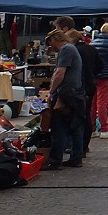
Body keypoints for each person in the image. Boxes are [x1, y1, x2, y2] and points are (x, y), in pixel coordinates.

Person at [43, 27, 86, 170]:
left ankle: (55, 160)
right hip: (75, 92)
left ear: (56, 40)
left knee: (59, 127)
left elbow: (60, 73)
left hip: (67, 93)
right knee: (75, 125)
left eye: (51, 43)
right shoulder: (71, 48)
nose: (51, 47)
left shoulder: (66, 49)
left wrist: (51, 91)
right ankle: (76, 157)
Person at [67, 27, 102, 157]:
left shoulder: (74, 50)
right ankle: (84, 146)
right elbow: (101, 65)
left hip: (78, 86)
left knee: (77, 117)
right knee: (86, 115)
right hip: (90, 84)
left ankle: (77, 147)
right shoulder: (91, 48)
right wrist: (92, 74)